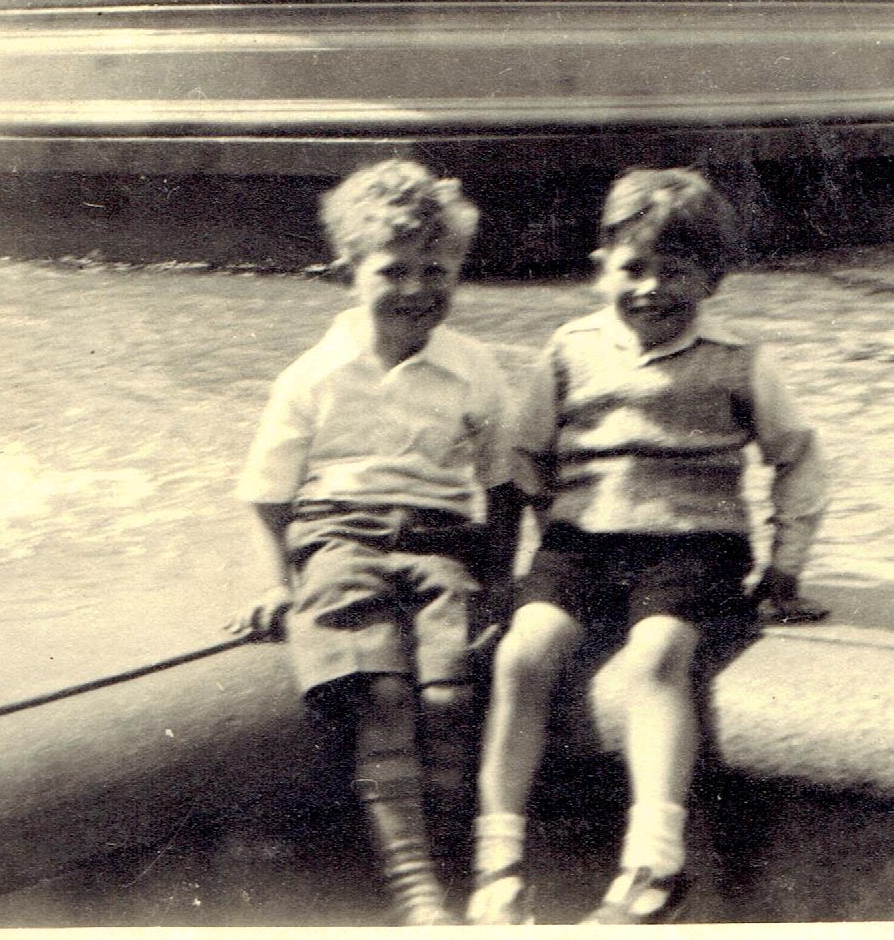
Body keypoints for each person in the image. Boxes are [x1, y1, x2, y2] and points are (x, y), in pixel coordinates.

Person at [468, 169, 829, 926]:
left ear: (714, 279)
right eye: (633, 268)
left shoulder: (740, 360)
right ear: (603, 268)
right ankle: (497, 861)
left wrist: (785, 564)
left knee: (658, 657)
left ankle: (654, 862)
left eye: (677, 271)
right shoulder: (569, 350)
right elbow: (526, 451)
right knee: (521, 654)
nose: (652, 289)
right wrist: (549, 520)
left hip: (692, 544)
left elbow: (796, 455)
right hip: (582, 541)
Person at [228, 159, 523, 927]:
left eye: (438, 269)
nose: (419, 289)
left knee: (451, 693)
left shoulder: (473, 368)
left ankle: (458, 864)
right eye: (395, 270)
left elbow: (501, 486)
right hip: (337, 536)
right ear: (348, 272)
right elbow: (268, 493)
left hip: (439, 541)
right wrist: (276, 584)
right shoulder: (313, 375)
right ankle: (415, 886)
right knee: (382, 693)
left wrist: (498, 581)